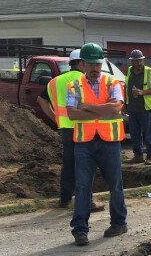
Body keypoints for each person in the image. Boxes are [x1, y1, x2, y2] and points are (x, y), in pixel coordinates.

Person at [65, 43, 128, 246]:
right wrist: (103, 108)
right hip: (84, 143)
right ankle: (80, 230)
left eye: (98, 64)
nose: (94, 68)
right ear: (82, 64)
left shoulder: (112, 83)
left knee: (115, 185)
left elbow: (116, 109)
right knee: (82, 186)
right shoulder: (74, 85)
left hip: (109, 141)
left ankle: (119, 223)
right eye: (90, 64)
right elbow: (72, 114)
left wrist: (87, 107)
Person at [36, 50, 104, 212]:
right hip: (84, 128)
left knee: (69, 164)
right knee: (86, 165)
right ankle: (87, 201)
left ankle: (65, 199)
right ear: (82, 64)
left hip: (66, 129)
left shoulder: (55, 81)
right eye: (88, 62)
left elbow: (41, 100)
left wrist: (55, 118)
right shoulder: (84, 81)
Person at [124, 49, 151, 165]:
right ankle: (138, 155)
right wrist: (126, 104)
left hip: (145, 108)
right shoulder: (129, 71)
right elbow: (126, 87)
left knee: (148, 132)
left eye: (140, 61)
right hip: (132, 108)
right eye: (135, 61)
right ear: (132, 62)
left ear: (143, 60)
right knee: (134, 133)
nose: (138, 63)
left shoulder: (149, 72)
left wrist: (142, 92)